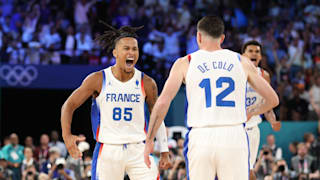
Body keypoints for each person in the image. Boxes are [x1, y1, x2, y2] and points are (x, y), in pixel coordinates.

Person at [144, 15, 279, 179]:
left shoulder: (185, 62)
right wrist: (250, 111)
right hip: (234, 135)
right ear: (222, 38)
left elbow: (162, 103)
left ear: (198, 36)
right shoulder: (241, 61)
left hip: (201, 137)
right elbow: (273, 99)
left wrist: (150, 139)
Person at [60, 22, 171, 180]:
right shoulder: (98, 79)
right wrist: (67, 135)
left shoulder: (147, 82)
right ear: (115, 53)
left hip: (139, 148)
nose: (131, 52)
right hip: (108, 149)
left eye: (134, 49)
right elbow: (68, 106)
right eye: (126, 48)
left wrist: (165, 150)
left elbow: (157, 117)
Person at [242, 40, 281, 180]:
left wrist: (273, 121)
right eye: (250, 51)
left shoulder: (264, 75)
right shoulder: (235, 71)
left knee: (249, 171)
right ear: (243, 55)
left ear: (260, 57)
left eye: (257, 52)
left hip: (252, 128)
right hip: (234, 127)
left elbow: (268, 104)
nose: (254, 54)